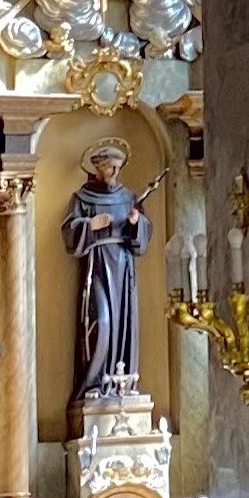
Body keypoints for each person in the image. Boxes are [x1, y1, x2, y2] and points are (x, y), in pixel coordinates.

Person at [62, 137, 153, 400]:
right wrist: (90, 225)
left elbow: (143, 236)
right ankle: (94, 383)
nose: (113, 172)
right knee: (100, 321)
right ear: (97, 168)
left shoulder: (129, 197)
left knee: (123, 323)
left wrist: (136, 223)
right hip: (98, 265)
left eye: (116, 167)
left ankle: (124, 383)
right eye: (108, 167)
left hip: (124, 267)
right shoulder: (82, 198)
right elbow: (69, 231)